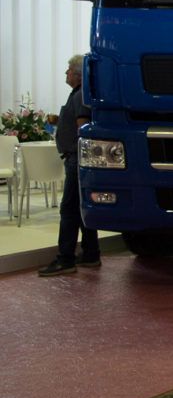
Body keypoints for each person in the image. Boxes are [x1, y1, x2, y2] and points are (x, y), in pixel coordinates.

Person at [39, 55, 97, 276]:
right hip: (75, 158)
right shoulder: (80, 93)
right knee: (80, 209)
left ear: (77, 74)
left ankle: (66, 259)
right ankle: (91, 253)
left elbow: (82, 128)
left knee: (69, 209)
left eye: (68, 70)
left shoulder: (80, 94)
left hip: (75, 159)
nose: (65, 74)